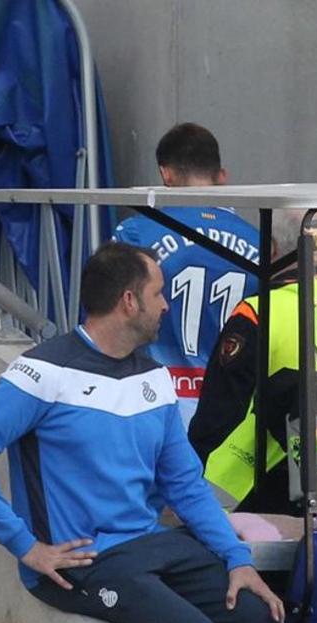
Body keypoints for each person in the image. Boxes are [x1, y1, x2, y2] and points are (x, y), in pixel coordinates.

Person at [0, 242, 283, 623]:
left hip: (151, 544)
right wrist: (25, 546)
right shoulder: (45, 372)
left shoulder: (154, 377)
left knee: (260, 618)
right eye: (158, 293)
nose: (166, 305)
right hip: (83, 562)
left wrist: (237, 559)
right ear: (128, 301)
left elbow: (186, 485)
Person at [189, 211, 317, 516]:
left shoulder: (257, 311)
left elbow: (220, 411)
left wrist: (188, 475)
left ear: (272, 249)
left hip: (254, 483)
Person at [113, 123, 260, 428]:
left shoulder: (137, 233)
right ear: (222, 176)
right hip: (237, 408)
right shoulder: (262, 241)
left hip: (157, 401)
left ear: (165, 174)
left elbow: (107, 317)